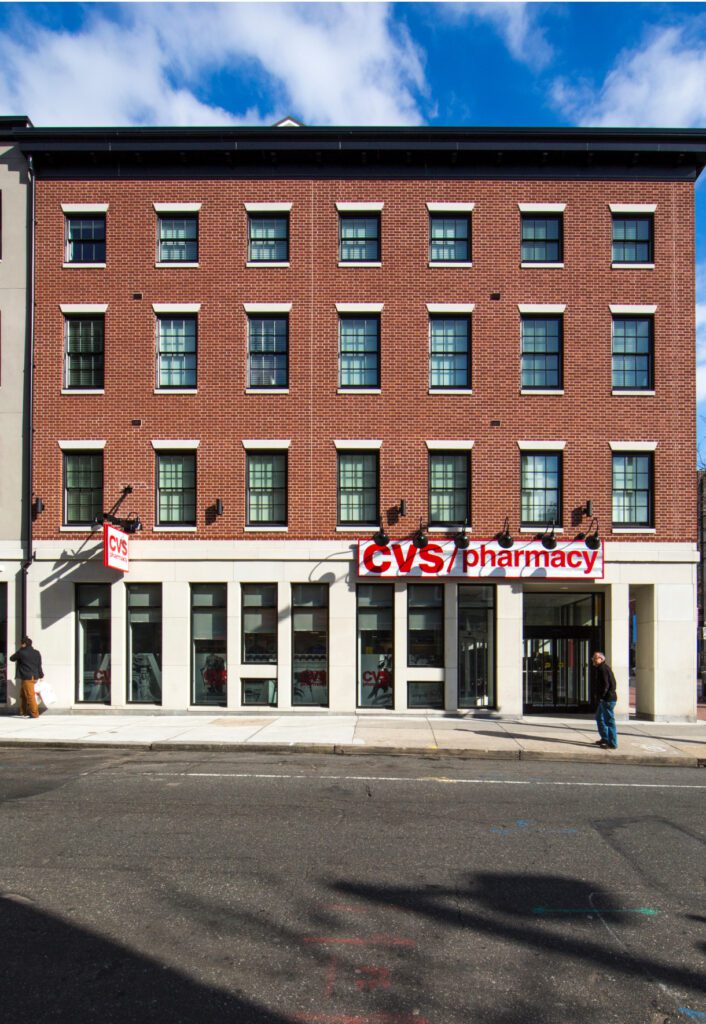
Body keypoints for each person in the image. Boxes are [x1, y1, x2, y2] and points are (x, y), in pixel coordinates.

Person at [10, 636, 44, 720]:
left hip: (26, 677)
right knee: (23, 694)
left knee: (30, 695)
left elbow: (12, 658)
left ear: (24, 644)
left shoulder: (21, 652)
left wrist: (20, 650)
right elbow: (39, 665)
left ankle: (34, 713)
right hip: (34, 676)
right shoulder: (36, 652)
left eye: (21, 644)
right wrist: (41, 675)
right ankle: (24, 711)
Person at [591, 651, 617, 749]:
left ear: (601, 659)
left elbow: (607, 685)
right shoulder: (601, 668)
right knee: (599, 718)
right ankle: (605, 738)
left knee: (609, 721)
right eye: (593, 658)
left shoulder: (603, 669)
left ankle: (612, 743)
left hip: (607, 700)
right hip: (606, 699)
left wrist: (602, 697)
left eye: (595, 658)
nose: (593, 659)